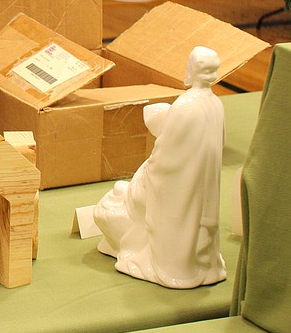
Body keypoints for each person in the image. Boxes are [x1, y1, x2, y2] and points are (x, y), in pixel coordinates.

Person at [93, 46, 227, 288]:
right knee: (198, 223)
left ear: (192, 71)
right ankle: (201, 264)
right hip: (203, 178)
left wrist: (151, 171)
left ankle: (175, 269)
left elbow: (166, 151)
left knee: (178, 223)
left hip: (182, 181)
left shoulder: (186, 106)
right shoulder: (215, 104)